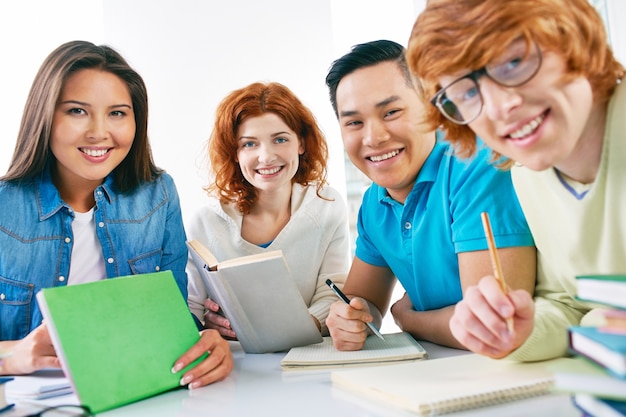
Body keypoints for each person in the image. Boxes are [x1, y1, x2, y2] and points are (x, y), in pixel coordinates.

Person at [0, 40, 233, 387]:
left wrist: (205, 345)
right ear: (44, 115)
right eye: (77, 111)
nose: (99, 132)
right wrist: (11, 356)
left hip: (137, 395)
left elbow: (175, 319)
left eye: (117, 113)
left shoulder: (158, 195)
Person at [407, 0, 625, 361]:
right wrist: (514, 331)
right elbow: (568, 304)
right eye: (468, 93)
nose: (497, 108)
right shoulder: (526, 174)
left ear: (571, 37)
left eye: (512, 63)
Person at [323, 39, 536, 351]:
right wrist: (346, 319)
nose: (374, 137)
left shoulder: (477, 166)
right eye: (354, 122)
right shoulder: (373, 203)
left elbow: (492, 327)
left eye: (392, 112)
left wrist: (410, 320)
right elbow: (363, 303)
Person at [186, 81, 351, 339]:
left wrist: (292, 330)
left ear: (301, 143)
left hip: (308, 354)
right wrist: (206, 327)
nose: (266, 156)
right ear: (235, 153)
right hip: (235, 363)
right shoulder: (206, 222)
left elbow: (334, 291)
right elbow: (192, 308)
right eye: (249, 144)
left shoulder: (327, 206)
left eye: (280, 139)